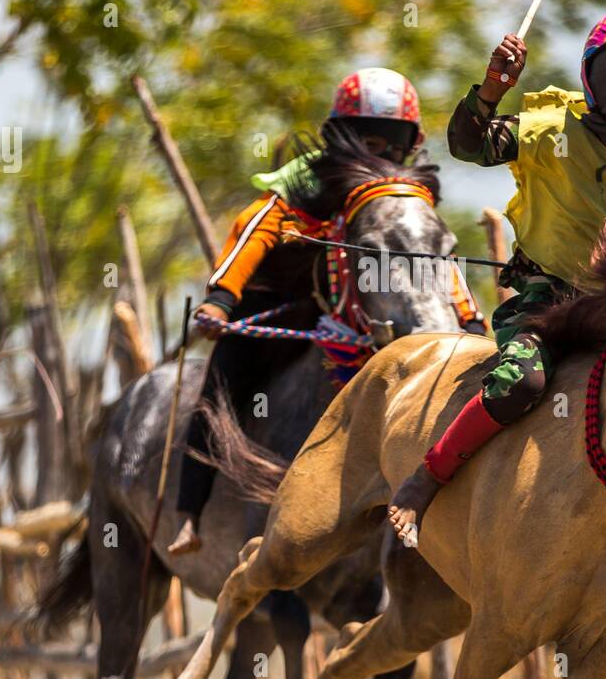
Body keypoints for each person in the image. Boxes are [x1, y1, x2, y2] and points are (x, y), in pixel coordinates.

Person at [386, 7, 606, 678]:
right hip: (546, 305)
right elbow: (469, 144)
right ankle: (420, 484)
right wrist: (492, 89)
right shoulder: (552, 128)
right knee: (520, 383)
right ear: (603, 81)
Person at [167, 68, 485, 555]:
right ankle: (189, 512)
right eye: (368, 140)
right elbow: (256, 229)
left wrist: (470, 321)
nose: (380, 155)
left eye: (391, 145)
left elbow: (430, 258)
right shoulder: (305, 179)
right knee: (223, 383)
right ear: (343, 137)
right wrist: (221, 298)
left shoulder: (404, 195)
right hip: (275, 313)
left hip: (357, 317)